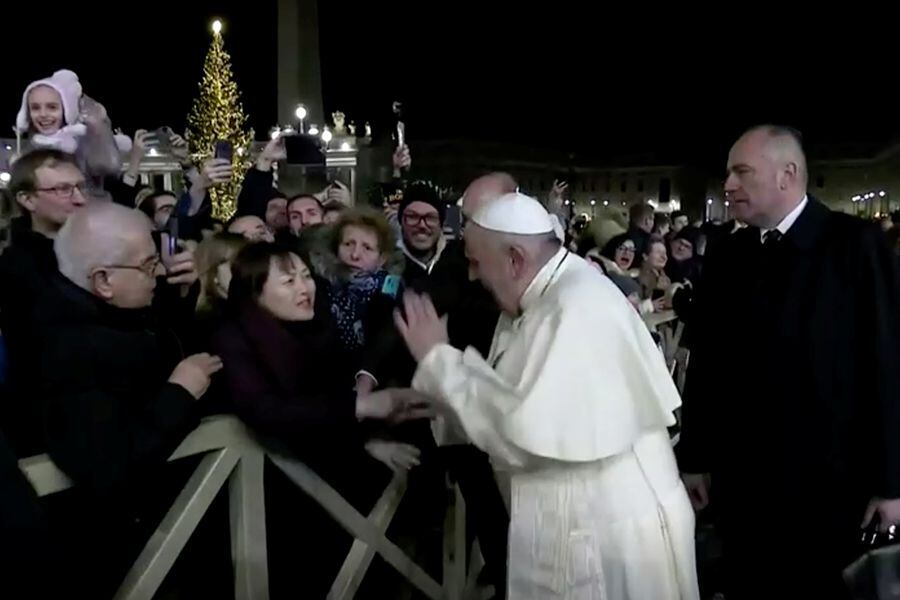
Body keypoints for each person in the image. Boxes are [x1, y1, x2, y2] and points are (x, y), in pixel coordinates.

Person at [394, 192, 699, 599]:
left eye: (476, 262)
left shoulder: (572, 307)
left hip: (606, 539)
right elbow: (514, 392)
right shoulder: (546, 295)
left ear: (515, 259)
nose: (473, 276)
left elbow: (522, 431)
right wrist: (442, 395)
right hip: (589, 524)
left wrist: (438, 362)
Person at [678, 125, 900, 599]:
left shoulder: (856, 246)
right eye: (727, 173)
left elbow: (887, 364)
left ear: (788, 174)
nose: (729, 185)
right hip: (743, 488)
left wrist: (891, 482)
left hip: (832, 488)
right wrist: (694, 456)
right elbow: (706, 366)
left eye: (742, 172)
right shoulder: (727, 256)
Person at [39, 202, 219, 594]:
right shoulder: (69, 351)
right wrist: (179, 393)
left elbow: (142, 336)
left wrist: (180, 297)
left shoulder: (94, 309)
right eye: (148, 265)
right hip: (125, 552)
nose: (159, 273)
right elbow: (110, 465)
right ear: (102, 280)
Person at [0, 149, 87, 455]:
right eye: (63, 189)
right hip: (48, 425)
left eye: (80, 187)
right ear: (27, 200)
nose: (79, 199)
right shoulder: (16, 267)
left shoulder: (91, 250)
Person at [15, 69, 131, 201]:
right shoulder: (29, 150)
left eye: (52, 107)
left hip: (89, 215)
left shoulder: (82, 141)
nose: (43, 114)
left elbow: (107, 165)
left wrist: (97, 128)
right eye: (35, 108)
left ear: (66, 109)